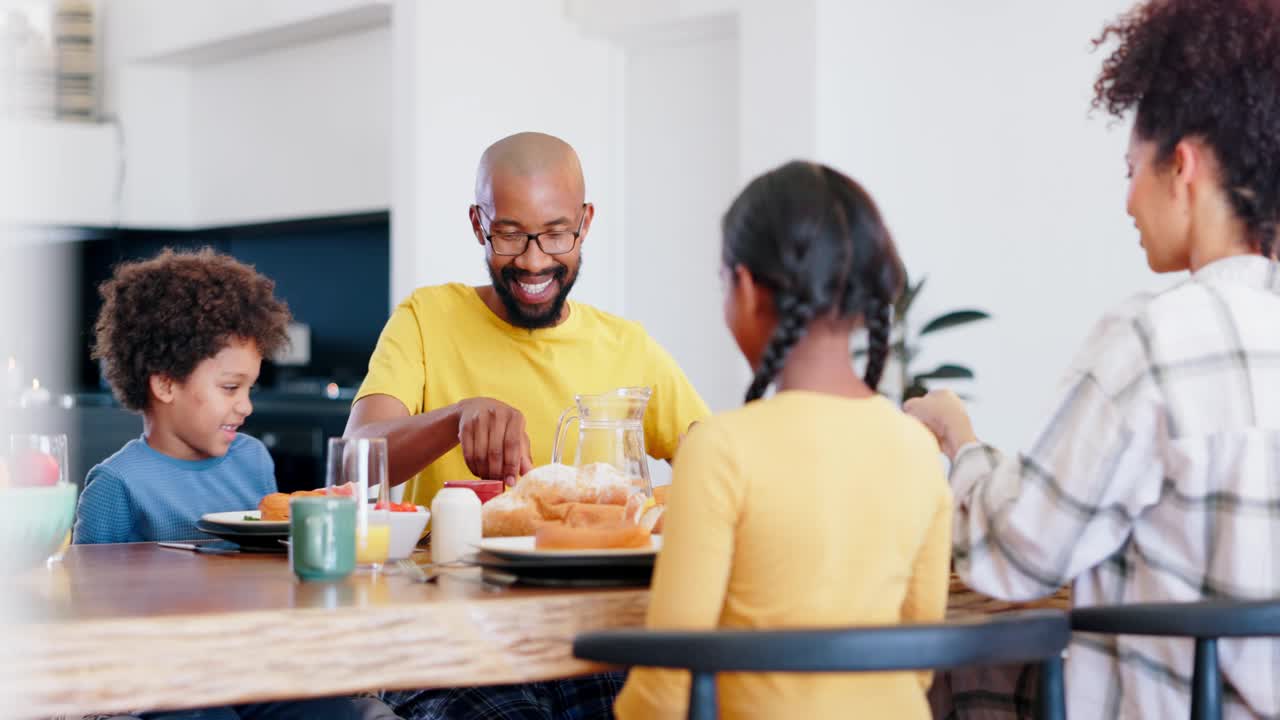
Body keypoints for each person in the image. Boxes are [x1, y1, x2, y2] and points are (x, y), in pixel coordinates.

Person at [905, 1, 1280, 716]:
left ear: (1184, 166)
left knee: (941, 675)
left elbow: (1014, 556)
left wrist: (961, 442)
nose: (1127, 199)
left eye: (1133, 168)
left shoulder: (1154, 339)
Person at [351, 132, 709, 719]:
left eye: (556, 233)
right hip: (453, 641)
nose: (535, 260)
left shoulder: (629, 346)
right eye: (510, 234)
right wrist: (455, 418)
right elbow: (359, 458)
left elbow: (715, 464)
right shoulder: (426, 318)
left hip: (593, 637)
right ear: (478, 224)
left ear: (585, 223)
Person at [615, 161, 952, 719]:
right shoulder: (918, 449)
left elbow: (667, 684)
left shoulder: (721, 449)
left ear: (745, 288)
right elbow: (917, 660)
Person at [75, 248, 399, 720]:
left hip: (255, 664)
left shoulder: (252, 460)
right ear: (165, 384)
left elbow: (271, 566)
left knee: (336, 711)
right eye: (230, 388)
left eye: (250, 388)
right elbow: (86, 616)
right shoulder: (116, 484)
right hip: (166, 680)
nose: (246, 406)